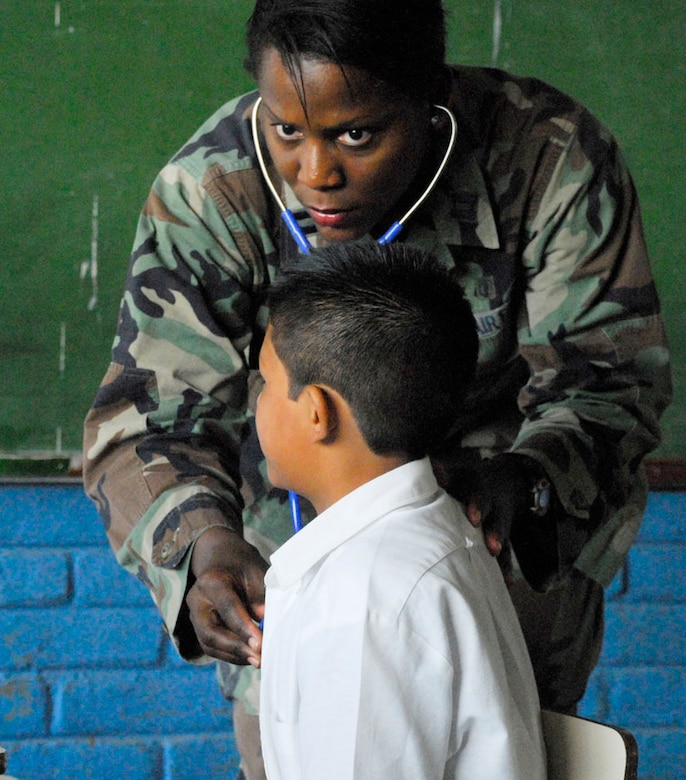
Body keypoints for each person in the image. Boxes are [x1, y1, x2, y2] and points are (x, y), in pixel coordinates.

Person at [82, 0, 671, 776]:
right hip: (292, 567)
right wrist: (203, 548)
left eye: (356, 135)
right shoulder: (212, 191)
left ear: (433, 105)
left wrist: (525, 483)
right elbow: (149, 418)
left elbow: (610, 385)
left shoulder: (549, 159)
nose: (314, 174)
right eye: (287, 131)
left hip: (504, 551)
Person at [255, 240, 546, 779]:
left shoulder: (363, 602)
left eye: (267, 383)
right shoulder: (432, 535)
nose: (258, 400)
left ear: (317, 413)